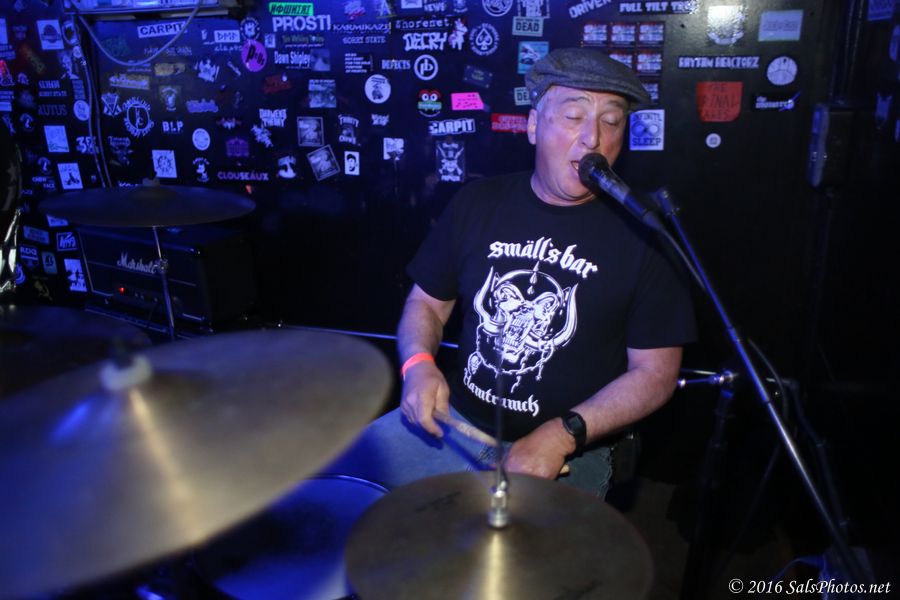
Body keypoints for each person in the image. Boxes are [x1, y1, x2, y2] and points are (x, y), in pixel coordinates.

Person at [326, 48, 695, 498]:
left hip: (572, 445)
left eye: (612, 121)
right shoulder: (478, 202)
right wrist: (419, 365)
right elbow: (426, 304)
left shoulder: (647, 232)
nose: (592, 138)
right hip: (452, 421)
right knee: (336, 495)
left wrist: (563, 434)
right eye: (574, 116)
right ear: (534, 125)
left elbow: (656, 374)